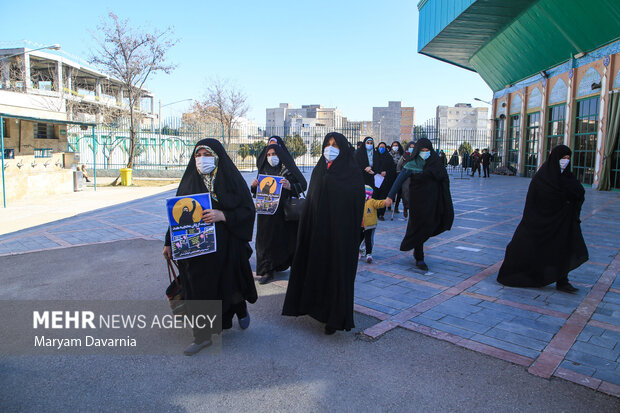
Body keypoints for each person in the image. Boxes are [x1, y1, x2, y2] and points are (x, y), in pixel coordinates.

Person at [163, 139, 257, 356]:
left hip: (227, 247)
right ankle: (202, 336)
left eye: (207, 154)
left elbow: (247, 211)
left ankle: (239, 308)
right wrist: (168, 242)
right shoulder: (189, 182)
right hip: (197, 251)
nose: (201, 159)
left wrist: (224, 215)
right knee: (198, 289)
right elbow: (176, 216)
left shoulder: (231, 179)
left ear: (217, 156)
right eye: (198, 155)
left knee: (229, 284)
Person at [282, 132, 364, 335]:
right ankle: (314, 308)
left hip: (339, 235)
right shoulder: (319, 170)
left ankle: (333, 318)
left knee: (336, 273)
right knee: (316, 269)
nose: (330, 148)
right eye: (327, 144)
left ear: (343, 147)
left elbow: (356, 204)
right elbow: (311, 202)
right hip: (317, 233)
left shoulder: (351, 172)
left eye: (335, 144)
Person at [497, 145, 588, 293]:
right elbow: (535, 201)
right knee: (526, 247)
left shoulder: (568, 177)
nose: (565, 161)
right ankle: (530, 274)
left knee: (563, 248)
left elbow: (578, 192)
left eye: (568, 158)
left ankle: (562, 281)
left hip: (562, 222)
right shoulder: (542, 178)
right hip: (540, 221)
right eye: (563, 158)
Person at [386, 138, 454, 271]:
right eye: (422, 150)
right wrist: (390, 196)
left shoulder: (435, 162)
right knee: (418, 227)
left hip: (433, 201)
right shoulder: (412, 163)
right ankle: (419, 256)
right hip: (417, 202)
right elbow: (399, 180)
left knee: (428, 225)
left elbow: (444, 179)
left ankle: (418, 249)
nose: (424, 153)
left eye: (427, 150)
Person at [251, 140, 307, 285]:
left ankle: (290, 266)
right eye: (269, 154)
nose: (271, 157)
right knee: (266, 241)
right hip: (266, 213)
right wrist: (254, 186)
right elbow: (258, 192)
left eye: (274, 153)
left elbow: (303, 185)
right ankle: (267, 270)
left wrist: (290, 186)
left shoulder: (287, 168)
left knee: (286, 239)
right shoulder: (263, 168)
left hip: (284, 212)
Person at [359, 185, 386, 263]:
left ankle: (368, 254)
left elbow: (378, 203)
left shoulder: (371, 201)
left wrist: (385, 202)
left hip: (369, 225)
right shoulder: (359, 202)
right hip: (360, 225)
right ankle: (360, 251)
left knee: (368, 240)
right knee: (359, 239)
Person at [375, 142, 396, 220]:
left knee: (383, 197)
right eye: (380, 147)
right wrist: (379, 171)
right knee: (375, 197)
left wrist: (386, 172)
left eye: (383, 147)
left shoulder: (388, 157)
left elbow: (392, 169)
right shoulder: (375, 156)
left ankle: (381, 214)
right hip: (376, 180)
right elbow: (373, 166)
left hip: (385, 181)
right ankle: (375, 212)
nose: (381, 148)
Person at [396, 141, 416, 218]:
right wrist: (399, 174)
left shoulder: (417, 156)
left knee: (413, 193)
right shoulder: (404, 156)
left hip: (414, 176)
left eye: (413, 147)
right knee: (405, 192)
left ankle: (412, 208)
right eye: (410, 147)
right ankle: (405, 207)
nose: (412, 149)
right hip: (405, 176)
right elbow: (399, 165)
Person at [389, 141, 404, 214]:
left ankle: (396, 206)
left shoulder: (402, 154)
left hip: (399, 173)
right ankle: (389, 204)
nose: (395, 147)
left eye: (396, 145)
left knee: (399, 190)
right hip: (391, 174)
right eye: (394, 145)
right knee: (390, 189)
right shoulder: (389, 154)